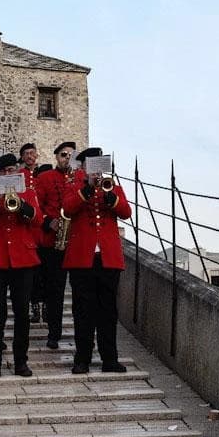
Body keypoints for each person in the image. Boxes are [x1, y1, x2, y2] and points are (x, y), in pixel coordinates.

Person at [62, 147, 132, 374]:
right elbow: (68, 209)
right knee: (83, 311)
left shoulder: (113, 187)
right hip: (82, 257)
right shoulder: (74, 186)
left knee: (108, 311)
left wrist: (110, 197)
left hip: (108, 257)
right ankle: (82, 358)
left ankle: (109, 358)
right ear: (83, 167)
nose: (97, 171)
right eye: (92, 166)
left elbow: (126, 212)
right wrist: (88, 188)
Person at [0, 153, 41, 378]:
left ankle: (21, 361)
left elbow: (38, 220)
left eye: (14, 169)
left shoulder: (28, 192)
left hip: (23, 258)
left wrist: (21, 203)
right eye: (7, 171)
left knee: (22, 313)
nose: (12, 173)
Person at [35, 142, 76, 349]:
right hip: (53, 242)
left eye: (70, 155)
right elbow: (36, 206)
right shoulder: (44, 178)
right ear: (56, 157)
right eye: (63, 155)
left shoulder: (80, 179)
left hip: (76, 242)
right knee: (55, 290)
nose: (66, 158)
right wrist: (47, 221)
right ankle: (54, 333)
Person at [18, 143, 46, 324]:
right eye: (26, 153)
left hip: (40, 229)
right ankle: (28, 304)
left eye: (32, 153)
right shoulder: (19, 174)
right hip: (25, 229)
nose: (29, 156)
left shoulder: (43, 174)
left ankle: (39, 304)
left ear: (36, 155)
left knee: (41, 272)